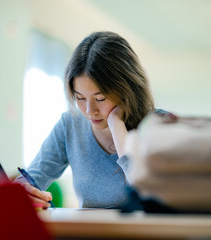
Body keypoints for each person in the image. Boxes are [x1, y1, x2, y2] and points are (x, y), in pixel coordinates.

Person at [15, 31, 155, 209]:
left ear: (127, 91)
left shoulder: (156, 126)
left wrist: (117, 127)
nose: (90, 111)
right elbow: (31, 178)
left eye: (100, 99)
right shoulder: (70, 125)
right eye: (80, 98)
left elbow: (147, 194)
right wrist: (24, 190)